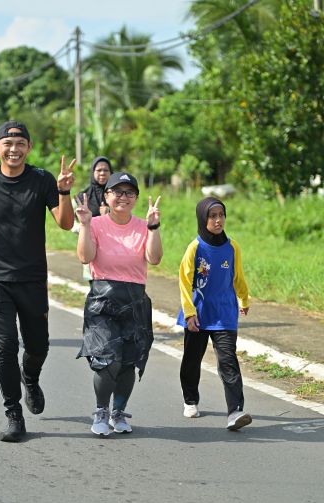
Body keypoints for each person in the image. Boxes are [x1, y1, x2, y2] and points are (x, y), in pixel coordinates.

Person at [0, 120, 76, 443]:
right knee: (5, 347)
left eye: (20, 143)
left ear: (28, 148)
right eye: (8, 144)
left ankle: (29, 377)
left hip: (32, 278)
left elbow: (65, 223)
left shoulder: (42, 179)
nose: (14, 149)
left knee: (38, 346)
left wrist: (64, 191)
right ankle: (13, 414)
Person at [76, 171, 162, 436]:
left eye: (129, 193)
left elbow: (154, 258)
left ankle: (118, 412)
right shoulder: (96, 223)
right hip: (102, 301)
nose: (123, 197)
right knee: (108, 359)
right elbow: (85, 257)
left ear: (135, 198)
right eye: (118, 192)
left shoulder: (143, 226)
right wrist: (85, 225)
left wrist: (153, 228)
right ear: (107, 195)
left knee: (127, 362)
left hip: (135, 301)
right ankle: (101, 410)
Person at [178, 196, 252, 431]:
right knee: (192, 360)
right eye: (212, 216)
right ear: (203, 219)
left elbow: (238, 276)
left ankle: (235, 411)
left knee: (228, 362)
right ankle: (190, 399)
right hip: (198, 315)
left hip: (224, 314)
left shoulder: (232, 247)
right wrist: (189, 312)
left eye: (221, 215)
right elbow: (184, 281)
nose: (218, 220)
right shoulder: (195, 247)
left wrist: (244, 298)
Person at [73, 156, 113, 282]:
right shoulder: (82, 197)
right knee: (95, 285)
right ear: (92, 172)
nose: (102, 173)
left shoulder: (117, 196)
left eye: (106, 170)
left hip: (114, 247)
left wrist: (109, 214)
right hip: (91, 246)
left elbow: (125, 218)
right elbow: (70, 223)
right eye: (99, 170)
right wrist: (85, 228)